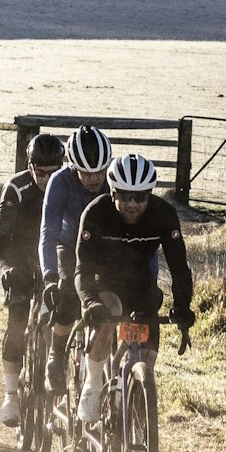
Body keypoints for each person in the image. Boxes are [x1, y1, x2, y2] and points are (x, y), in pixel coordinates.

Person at [73, 152, 196, 421]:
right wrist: (89, 302)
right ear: (113, 192)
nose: (132, 204)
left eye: (140, 196)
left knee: (148, 356)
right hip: (103, 282)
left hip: (141, 285)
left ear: (149, 194)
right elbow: (82, 269)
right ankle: (93, 387)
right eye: (125, 195)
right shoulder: (95, 213)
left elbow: (179, 267)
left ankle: (136, 410)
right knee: (109, 314)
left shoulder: (164, 214)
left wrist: (183, 305)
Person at [0, 130, 66, 423]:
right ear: (30, 167)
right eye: (41, 172)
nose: (47, 179)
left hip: (55, 261)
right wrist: (8, 266)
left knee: (61, 321)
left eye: (54, 172)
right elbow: (0, 238)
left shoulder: (67, 186)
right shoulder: (16, 187)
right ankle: (10, 395)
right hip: (21, 259)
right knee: (17, 321)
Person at [38, 124, 111, 393]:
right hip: (67, 245)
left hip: (102, 249)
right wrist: (49, 277)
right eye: (85, 172)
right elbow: (48, 231)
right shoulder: (59, 181)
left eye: (99, 171)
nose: (94, 179)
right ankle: (56, 355)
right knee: (67, 288)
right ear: (72, 167)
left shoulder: (114, 181)